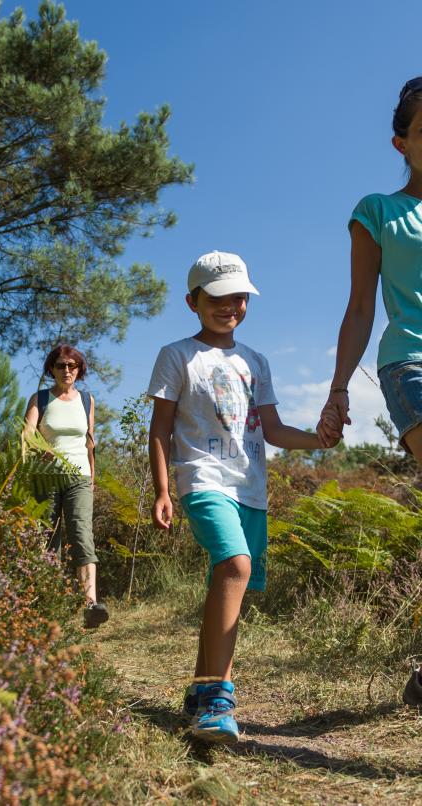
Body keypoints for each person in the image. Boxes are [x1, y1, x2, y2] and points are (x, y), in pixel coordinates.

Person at [148, 251, 340, 744]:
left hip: (250, 488)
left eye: (238, 296)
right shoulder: (177, 355)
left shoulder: (256, 361)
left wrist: (317, 439)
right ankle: (218, 698)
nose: (229, 305)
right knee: (235, 565)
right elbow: (160, 428)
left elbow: (272, 430)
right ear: (193, 301)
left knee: (226, 580)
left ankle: (197, 687)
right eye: (216, 297)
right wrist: (163, 490)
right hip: (202, 479)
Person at [317, 77, 422, 707]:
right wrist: (337, 391)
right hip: (410, 362)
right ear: (401, 142)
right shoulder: (379, 211)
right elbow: (359, 308)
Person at [24, 344, 109, 629]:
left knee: (82, 535)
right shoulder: (40, 399)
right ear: (52, 369)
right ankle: (45, 602)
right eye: (61, 365)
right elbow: (27, 434)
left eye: (72, 366)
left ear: (79, 370)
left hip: (80, 478)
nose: (67, 370)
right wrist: (38, 450)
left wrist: (92, 475)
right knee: (46, 539)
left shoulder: (87, 400)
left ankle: (90, 605)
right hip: (45, 476)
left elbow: (89, 441)